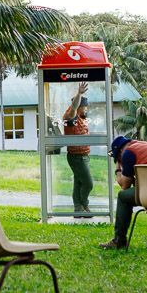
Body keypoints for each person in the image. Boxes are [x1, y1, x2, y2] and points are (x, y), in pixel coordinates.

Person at [62, 81, 93, 215]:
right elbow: (74, 107)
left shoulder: (82, 118)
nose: (86, 110)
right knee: (88, 183)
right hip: (76, 157)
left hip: (84, 156)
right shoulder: (71, 115)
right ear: (79, 107)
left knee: (79, 183)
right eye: (85, 107)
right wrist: (79, 94)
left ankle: (78, 208)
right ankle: (84, 203)